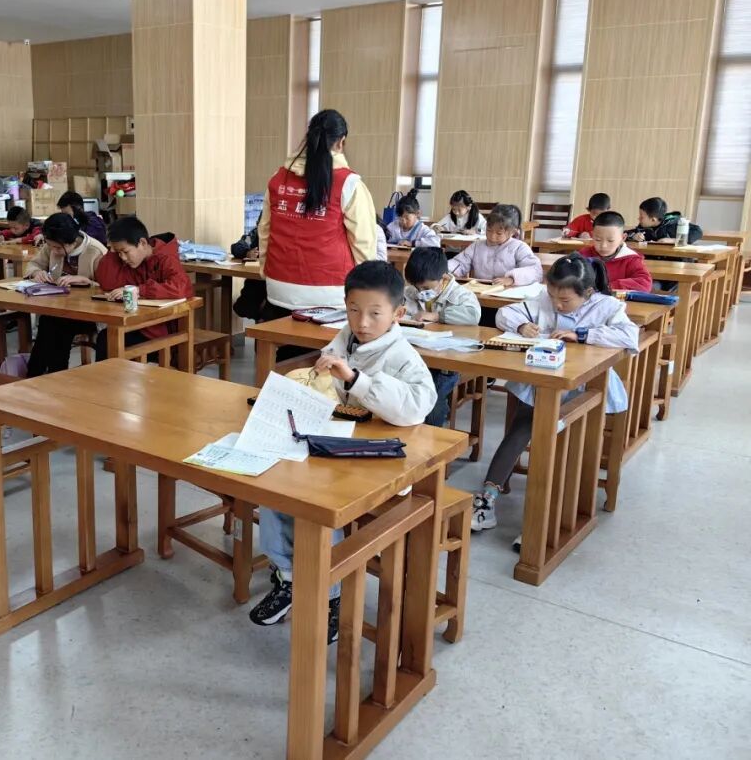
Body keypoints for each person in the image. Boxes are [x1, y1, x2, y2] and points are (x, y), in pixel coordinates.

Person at [250, 260, 436, 643]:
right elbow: (329, 384)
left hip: (376, 458)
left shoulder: (403, 355)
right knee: (273, 483)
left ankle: (330, 594)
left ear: (398, 314)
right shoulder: (346, 337)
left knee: (319, 502)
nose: (362, 322)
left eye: (374, 313)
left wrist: (354, 379)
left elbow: (418, 406)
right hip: (335, 442)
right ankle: (290, 576)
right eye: (353, 310)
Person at [471, 254, 639, 534]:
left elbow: (629, 337)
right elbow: (505, 314)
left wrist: (582, 335)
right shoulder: (544, 300)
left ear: (587, 293)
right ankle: (487, 499)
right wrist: (522, 326)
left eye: (565, 301)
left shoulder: (607, 306)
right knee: (521, 427)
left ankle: (548, 520)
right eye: (552, 297)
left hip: (588, 388)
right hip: (545, 383)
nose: (557, 305)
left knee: (566, 442)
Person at [258, 109, 377, 312]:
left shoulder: (278, 178)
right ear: (341, 142)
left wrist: (265, 271)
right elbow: (363, 243)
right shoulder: (349, 184)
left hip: (278, 285)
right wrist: (367, 288)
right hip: (330, 289)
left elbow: (265, 230)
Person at [0, 213, 107, 377]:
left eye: (57, 248)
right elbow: (34, 264)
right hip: (61, 308)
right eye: (51, 247)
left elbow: (108, 289)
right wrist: (37, 273)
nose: (53, 251)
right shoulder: (52, 245)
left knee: (55, 326)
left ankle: (44, 375)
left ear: (72, 242)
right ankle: (43, 375)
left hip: (91, 314)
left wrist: (87, 281)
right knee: (49, 322)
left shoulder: (96, 252)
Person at [93, 215, 193, 360]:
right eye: (118, 253)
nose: (123, 258)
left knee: (108, 340)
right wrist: (112, 251)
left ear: (142, 242)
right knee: (107, 337)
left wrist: (140, 290)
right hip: (138, 324)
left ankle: (113, 375)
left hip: (161, 330)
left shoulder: (165, 258)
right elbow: (107, 282)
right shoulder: (132, 262)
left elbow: (181, 288)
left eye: (125, 252)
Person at [403, 247, 481, 426]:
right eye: (417, 287)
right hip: (416, 357)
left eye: (425, 288)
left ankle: (432, 435)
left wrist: (439, 316)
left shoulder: (460, 294)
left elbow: (473, 314)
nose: (420, 291)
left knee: (431, 400)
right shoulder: (411, 292)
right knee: (403, 393)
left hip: (446, 363)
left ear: (444, 278)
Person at [579, 211, 653, 293]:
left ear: (623, 238)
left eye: (610, 241)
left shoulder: (631, 259)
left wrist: (608, 287)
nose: (603, 246)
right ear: (592, 235)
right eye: (598, 240)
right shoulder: (584, 254)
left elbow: (645, 283)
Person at [630, 197, 702, 244]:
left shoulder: (674, 223)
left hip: (675, 259)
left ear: (653, 219)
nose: (638, 218)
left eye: (641, 217)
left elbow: (698, 231)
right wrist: (633, 236)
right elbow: (627, 233)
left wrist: (673, 240)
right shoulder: (643, 227)